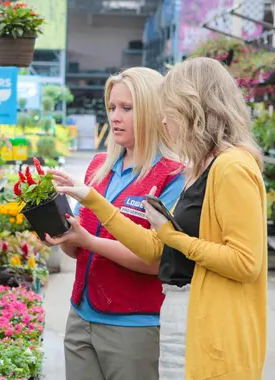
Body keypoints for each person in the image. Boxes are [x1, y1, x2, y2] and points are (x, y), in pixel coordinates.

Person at [50, 57, 267, 380]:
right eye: (112, 107)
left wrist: (174, 238)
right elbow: (154, 246)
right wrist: (88, 204)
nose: (164, 120)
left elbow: (245, 263)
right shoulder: (203, 167)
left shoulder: (227, 167)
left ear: (194, 108)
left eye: (171, 109)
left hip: (207, 327)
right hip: (191, 321)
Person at [44, 67, 185, 380]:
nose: (115, 117)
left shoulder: (173, 176)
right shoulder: (100, 167)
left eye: (127, 108)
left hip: (133, 327)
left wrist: (90, 241)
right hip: (80, 317)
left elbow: (158, 261)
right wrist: (62, 232)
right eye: (111, 108)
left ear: (151, 110)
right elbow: (77, 252)